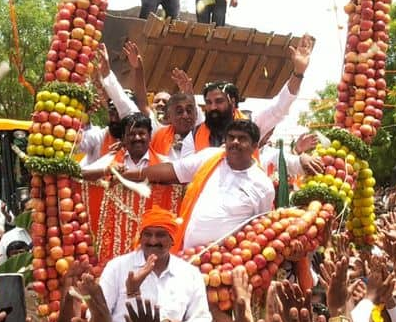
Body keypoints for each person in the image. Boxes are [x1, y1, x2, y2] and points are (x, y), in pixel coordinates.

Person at [124, 120, 274, 250]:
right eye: (231, 137)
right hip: (189, 254)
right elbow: (171, 170)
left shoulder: (262, 185)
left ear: (255, 146)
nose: (235, 142)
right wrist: (127, 175)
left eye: (242, 139)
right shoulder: (210, 157)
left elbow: (259, 230)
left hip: (227, 263)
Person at [98, 206, 212, 322]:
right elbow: (97, 315)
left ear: (173, 239)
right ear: (141, 237)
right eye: (147, 234)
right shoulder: (118, 267)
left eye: (160, 235)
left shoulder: (189, 273)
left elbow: (203, 320)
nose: (153, 241)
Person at [180, 34, 314, 157]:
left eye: (219, 101)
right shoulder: (194, 136)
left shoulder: (252, 124)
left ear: (232, 102)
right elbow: (186, 172)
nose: (213, 107)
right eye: (208, 102)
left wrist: (298, 72)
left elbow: (280, 107)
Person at [82, 113, 168, 180]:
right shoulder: (111, 160)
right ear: (123, 138)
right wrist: (106, 171)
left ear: (149, 136)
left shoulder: (163, 163)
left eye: (141, 133)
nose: (137, 138)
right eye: (131, 134)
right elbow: (81, 174)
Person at [149, 93, 198, 161]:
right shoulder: (160, 135)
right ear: (169, 116)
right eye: (179, 112)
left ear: (196, 114)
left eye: (189, 111)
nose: (185, 116)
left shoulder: (206, 135)